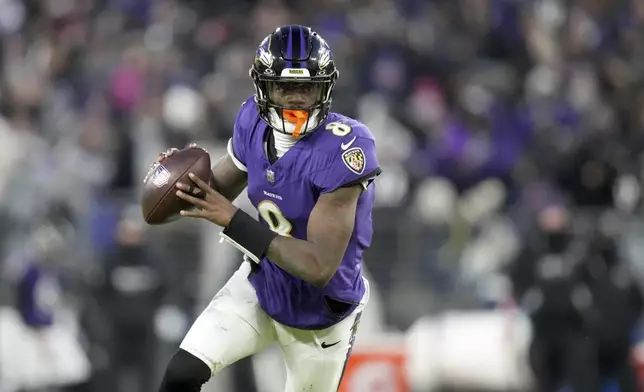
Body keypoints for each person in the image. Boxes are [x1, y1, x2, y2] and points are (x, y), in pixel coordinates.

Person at [156, 25, 381, 392]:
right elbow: (216, 189)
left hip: (320, 317)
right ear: (264, 87)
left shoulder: (346, 150)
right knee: (181, 374)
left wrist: (231, 220)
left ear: (323, 88)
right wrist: (180, 181)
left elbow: (318, 266)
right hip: (262, 285)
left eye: (305, 88)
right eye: (285, 87)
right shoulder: (252, 122)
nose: (295, 99)